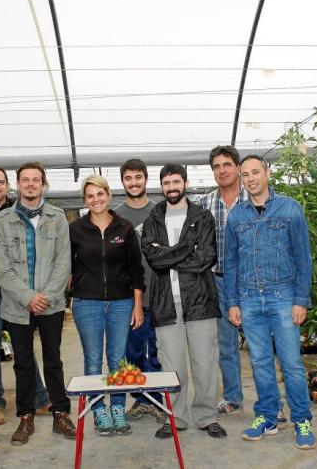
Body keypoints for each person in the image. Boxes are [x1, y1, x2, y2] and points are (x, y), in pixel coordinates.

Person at [224, 155, 316, 450]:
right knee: (260, 362)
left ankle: (302, 419)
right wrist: (232, 302)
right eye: (245, 174)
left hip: (283, 297)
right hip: (249, 298)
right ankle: (267, 416)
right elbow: (231, 262)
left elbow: (303, 258)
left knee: (292, 364)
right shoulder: (236, 216)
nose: (251, 178)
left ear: (268, 173)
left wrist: (300, 299)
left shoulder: (290, 209)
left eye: (255, 172)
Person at [0, 161, 76, 445]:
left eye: (35, 179)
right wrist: (28, 297)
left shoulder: (58, 217)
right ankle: (25, 417)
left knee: (54, 360)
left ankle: (60, 413)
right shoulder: (2, 220)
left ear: (43, 184)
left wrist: (46, 297)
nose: (30, 184)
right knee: (23, 363)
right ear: (17, 185)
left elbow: (63, 262)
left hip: (50, 304)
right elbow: (1, 268)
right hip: (17, 305)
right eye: (25, 180)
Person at [141, 164, 227, 440]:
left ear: (185, 183)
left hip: (200, 301)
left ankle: (206, 416)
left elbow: (205, 258)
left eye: (176, 182)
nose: (172, 188)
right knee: (172, 366)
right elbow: (153, 259)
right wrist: (187, 248)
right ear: (161, 187)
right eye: (166, 183)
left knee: (205, 364)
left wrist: (167, 254)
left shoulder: (202, 217)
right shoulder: (153, 219)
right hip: (166, 303)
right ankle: (175, 418)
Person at [0, 167, 52, 426]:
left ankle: (39, 398)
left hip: (17, 295)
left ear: (8, 185)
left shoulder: (21, 212)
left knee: (24, 351)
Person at [69, 174, 145, 435]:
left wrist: (137, 305)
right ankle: (99, 410)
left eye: (100, 194)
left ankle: (118, 408)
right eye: (90, 196)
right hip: (87, 303)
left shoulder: (124, 227)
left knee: (117, 358)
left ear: (109, 195)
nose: (96, 200)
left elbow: (136, 269)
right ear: (85, 200)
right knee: (92, 359)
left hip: (121, 302)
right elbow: (66, 265)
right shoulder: (76, 229)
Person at [114, 159, 166, 423]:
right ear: (122, 182)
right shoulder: (116, 215)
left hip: (159, 294)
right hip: (128, 297)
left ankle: (156, 399)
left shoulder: (160, 211)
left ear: (146, 179)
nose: (133, 183)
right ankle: (140, 399)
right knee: (132, 352)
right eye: (128, 178)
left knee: (157, 350)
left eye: (138, 177)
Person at [197, 146, 247, 417]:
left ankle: (271, 404)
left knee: (261, 344)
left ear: (237, 167)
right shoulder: (204, 204)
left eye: (227, 164)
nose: (222, 170)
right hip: (218, 281)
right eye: (216, 166)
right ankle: (233, 398)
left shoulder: (254, 198)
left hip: (252, 283)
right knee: (226, 345)